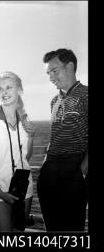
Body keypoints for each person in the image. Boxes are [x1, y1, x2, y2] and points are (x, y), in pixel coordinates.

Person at [0, 72, 36, 231]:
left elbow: (26, 157)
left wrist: (31, 137)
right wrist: (0, 192)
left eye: (9, 87)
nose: (4, 92)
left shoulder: (24, 120)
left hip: (24, 187)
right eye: (0, 89)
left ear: (20, 90)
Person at [37, 48, 88, 231]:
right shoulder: (54, 101)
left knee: (72, 231)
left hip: (73, 170)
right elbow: (55, 136)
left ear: (70, 66)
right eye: (48, 73)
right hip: (50, 171)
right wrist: (44, 165)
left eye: (54, 71)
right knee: (53, 229)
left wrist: (81, 172)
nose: (51, 77)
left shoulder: (86, 95)